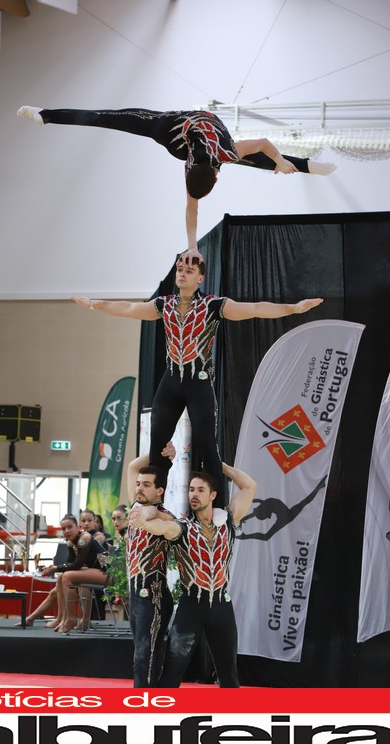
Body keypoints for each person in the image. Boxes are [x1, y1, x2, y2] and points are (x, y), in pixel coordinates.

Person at [73, 254, 322, 506]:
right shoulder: (164, 305)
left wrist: (293, 308)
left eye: (189, 271)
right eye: (180, 269)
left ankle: (214, 510)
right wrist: (95, 304)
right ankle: (153, 507)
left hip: (199, 383)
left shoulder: (213, 306)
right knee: (158, 446)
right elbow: (128, 309)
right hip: (171, 382)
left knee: (207, 447)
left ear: (200, 278)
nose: (182, 273)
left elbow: (255, 309)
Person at [17, 105, 336, 260]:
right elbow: (192, 208)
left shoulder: (224, 153)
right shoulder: (218, 157)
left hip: (181, 130)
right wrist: (192, 246)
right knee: (108, 118)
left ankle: (307, 166)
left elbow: (264, 144)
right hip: (170, 127)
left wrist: (279, 159)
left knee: (253, 157)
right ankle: (46, 114)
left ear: (214, 177)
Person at [129, 463, 257, 687]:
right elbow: (162, 526)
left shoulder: (228, 520)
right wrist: (145, 517)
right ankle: (159, 707)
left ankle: (233, 710)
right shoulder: (183, 527)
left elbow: (249, 486)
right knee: (172, 671)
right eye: (190, 490)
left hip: (222, 606)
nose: (193, 494)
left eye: (200, 490)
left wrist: (220, 466)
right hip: (191, 606)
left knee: (229, 673)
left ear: (213, 495)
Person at [125, 446, 176, 688]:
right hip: (136, 596)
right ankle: (148, 699)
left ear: (159, 491)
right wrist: (158, 452)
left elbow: (167, 519)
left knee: (144, 658)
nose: (139, 488)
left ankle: (144, 702)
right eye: (138, 484)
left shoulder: (163, 516)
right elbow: (132, 466)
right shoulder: (135, 509)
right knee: (142, 656)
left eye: (146, 485)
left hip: (153, 596)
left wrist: (152, 511)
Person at [40, 513, 108, 633]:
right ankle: (65, 618)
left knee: (68, 576)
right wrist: (55, 568)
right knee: (62, 576)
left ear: (78, 527)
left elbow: (77, 565)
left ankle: (71, 619)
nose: (66, 531)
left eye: (70, 527)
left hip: (108, 572)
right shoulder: (71, 543)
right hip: (96, 572)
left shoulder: (84, 538)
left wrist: (55, 568)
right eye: (63, 529)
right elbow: (70, 564)